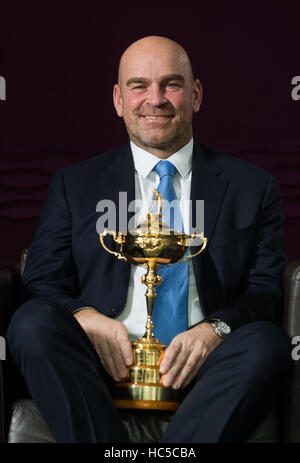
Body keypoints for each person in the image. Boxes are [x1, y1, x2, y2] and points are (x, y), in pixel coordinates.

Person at [7, 35, 294, 443]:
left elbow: (266, 291)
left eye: (171, 85)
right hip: (99, 366)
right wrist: (88, 320)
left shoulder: (252, 186)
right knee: (31, 323)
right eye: (139, 86)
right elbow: (41, 282)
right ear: (118, 100)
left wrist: (214, 330)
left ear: (195, 95)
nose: (154, 99)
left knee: (268, 346)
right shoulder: (76, 184)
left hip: (205, 367)